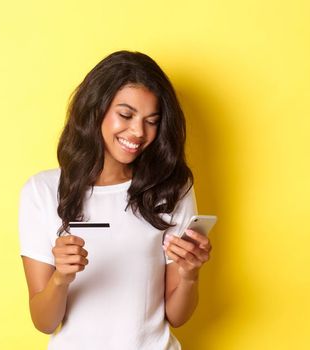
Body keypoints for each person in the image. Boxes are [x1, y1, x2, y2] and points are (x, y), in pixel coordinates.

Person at [18, 50, 213, 349]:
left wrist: (189, 275)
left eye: (152, 121)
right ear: (96, 109)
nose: (138, 132)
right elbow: (43, 321)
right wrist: (61, 278)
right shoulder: (42, 191)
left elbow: (177, 316)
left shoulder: (172, 187)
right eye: (126, 114)